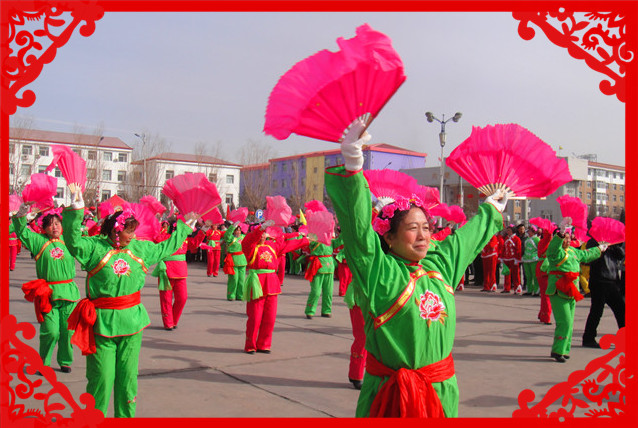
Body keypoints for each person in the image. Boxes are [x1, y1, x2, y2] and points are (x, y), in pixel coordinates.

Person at [325, 120, 507, 417]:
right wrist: (354, 167)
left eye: (426, 227)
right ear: (389, 237)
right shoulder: (380, 272)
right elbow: (358, 234)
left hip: (441, 392)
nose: (423, 235)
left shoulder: (439, 266)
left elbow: (465, 241)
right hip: (391, 396)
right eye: (412, 228)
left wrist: (491, 209)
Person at [62, 190, 197, 417]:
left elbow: (165, 248)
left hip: (132, 323)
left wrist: (183, 228)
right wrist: (76, 211)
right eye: (128, 231)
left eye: (134, 231)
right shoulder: (95, 247)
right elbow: (73, 241)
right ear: (115, 230)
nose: (132, 236)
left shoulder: (140, 249)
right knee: (101, 379)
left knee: (127, 381)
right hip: (102, 324)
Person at [13, 206, 81, 373]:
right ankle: (43, 363)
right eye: (50, 224)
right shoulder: (39, 242)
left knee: (67, 332)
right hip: (48, 294)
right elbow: (22, 232)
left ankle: (65, 360)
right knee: (50, 331)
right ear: (44, 228)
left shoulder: (69, 240)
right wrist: (21, 215)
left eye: (57, 223)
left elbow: (81, 232)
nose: (54, 227)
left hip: (69, 293)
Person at [241, 222, 309, 354]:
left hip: (272, 283)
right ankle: (250, 344)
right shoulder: (250, 247)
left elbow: (288, 245)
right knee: (255, 317)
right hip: (257, 283)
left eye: (264, 233)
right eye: (260, 233)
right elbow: (250, 239)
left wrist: (306, 240)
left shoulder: (271, 246)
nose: (262, 235)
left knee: (270, 317)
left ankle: (264, 344)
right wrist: (260, 228)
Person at [545, 219, 605, 363]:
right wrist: (560, 232)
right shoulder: (555, 253)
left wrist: (600, 248)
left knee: (570, 323)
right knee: (564, 322)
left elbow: (586, 255)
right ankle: (558, 350)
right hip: (558, 290)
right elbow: (553, 247)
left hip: (571, 290)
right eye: (564, 238)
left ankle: (564, 350)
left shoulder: (573, 251)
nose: (567, 240)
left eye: (568, 237)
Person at [581, 238, 625, 348]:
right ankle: (588, 338)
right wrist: (601, 248)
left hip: (612, 280)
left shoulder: (613, 242)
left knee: (621, 310)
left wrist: (613, 246)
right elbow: (590, 257)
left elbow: (621, 255)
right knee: (596, 311)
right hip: (599, 280)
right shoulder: (593, 242)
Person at [152, 220, 189, 330]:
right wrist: (157, 223)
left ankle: (174, 320)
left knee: (182, 298)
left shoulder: (184, 238)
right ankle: (168, 323)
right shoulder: (165, 237)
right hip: (166, 270)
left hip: (181, 272)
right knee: (166, 299)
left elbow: (194, 244)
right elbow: (155, 238)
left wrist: (203, 231)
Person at [303, 237, 336, 319]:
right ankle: (310, 310)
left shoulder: (331, 239)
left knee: (328, 292)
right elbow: (309, 243)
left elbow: (341, 241)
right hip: (317, 266)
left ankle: (326, 310)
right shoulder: (314, 236)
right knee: (316, 292)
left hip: (329, 267)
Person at [222, 222, 247, 301]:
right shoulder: (231, 238)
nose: (238, 232)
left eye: (239, 230)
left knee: (241, 280)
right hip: (233, 261)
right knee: (234, 279)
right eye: (236, 230)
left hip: (242, 260)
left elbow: (252, 239)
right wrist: (232, 226)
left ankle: (240, 295)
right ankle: (231, 295)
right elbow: (226, 235)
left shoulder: (243, 237)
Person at [536, 226, 553, 325]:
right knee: (546, 294)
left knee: (544, 294)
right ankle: (546, 316)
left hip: (544, 268)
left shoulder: (545, 242)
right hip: (544, 269)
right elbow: (548, 237)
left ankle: (542, 313)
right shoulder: (544, 241)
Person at [500, 226, 522, 294]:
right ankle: (507, 288)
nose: (508, 232)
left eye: (509, 230)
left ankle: (517, 288)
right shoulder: (506, 238)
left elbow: (518, 249)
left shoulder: (516, 239)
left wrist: (517, 259)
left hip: (513, 258)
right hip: (506, 258)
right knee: (507, 273)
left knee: (515, 274)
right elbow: (503, 248)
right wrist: (502, 257)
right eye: (507, 230)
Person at [521, 227, 540, 296]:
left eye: (530, 231)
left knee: (535, 275)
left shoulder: (537, 239)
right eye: (528, 231)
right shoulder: (527, 239)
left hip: (534, 259)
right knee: (528, 276)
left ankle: (536, 291)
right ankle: (529, 290)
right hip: (526, 259)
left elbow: (539, 249)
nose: (528, 232)